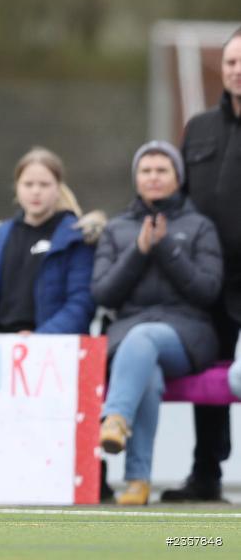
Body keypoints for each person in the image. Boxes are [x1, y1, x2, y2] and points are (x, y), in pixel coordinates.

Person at [94, 141, 222, 505]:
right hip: (130, 336)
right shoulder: (117, 228)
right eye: (146, 171)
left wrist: (166, 248)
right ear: (136, 178)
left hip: (187, 334)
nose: (153, 178)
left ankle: (116, 416)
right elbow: (103, 294)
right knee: (144, 369)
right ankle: (138, 481)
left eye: (162, 170)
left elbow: (207, 290)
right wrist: (139, 251)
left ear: (178, 178)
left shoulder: (199, 227)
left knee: (144, 337)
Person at [162, 26, 241, 502]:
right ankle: (205, 474)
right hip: (210, 282)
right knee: (209, 379)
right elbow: (181, 198)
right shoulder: (199, 129)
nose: (236, 71)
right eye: (231, 62)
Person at [0, 147, 95, 335]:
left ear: (58, 188)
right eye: (28, 184)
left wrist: (39, 338)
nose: (36, 191)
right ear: (17, 187)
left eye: (44, 185)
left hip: (51, 352)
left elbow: (80, 305)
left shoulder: (76, 238)